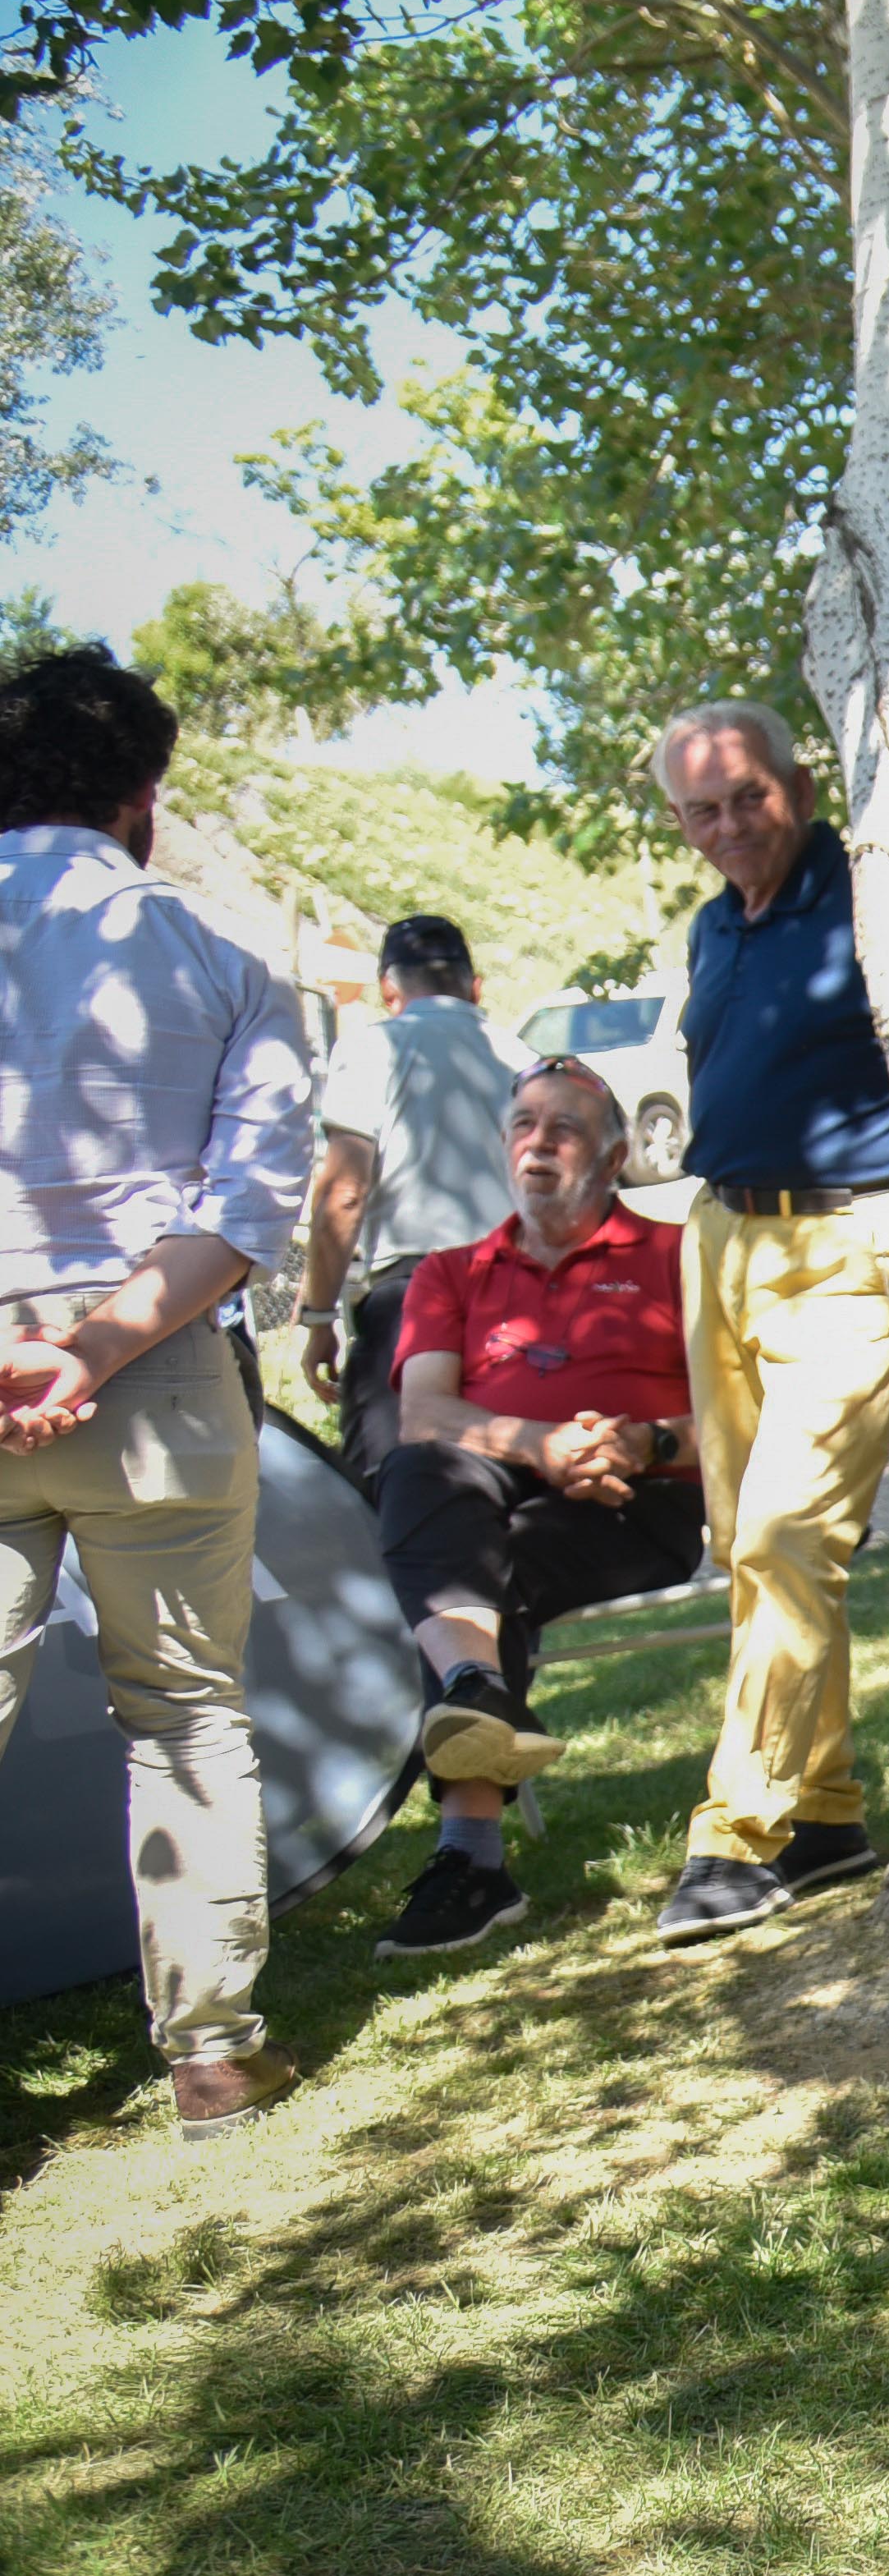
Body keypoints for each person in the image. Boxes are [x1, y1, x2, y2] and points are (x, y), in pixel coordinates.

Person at [0, 646, 315, 2137]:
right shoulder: (224, 954)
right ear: (141, 797)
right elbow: (246, 1210)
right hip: (163, 1369)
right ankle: (212, 2054)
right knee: (184, 1716)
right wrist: (98, 1349)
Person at [656, 698, 889, 1940]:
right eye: (700, 810)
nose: (727, 828)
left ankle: (739, 1834)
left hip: (853, 1238)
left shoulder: (874, 889)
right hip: (719, 1239)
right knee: (744, 1550)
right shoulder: (715, 927)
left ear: (797, 787)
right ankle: (825, 1813)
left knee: (784, 1538)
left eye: (746, 799)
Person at [365, 1058, 707, 1961]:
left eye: (564, 1126)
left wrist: (647, 1441)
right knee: (425, 1475)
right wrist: (541, 1445)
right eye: (523, 1122)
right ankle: (479, 1697)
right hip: (497, 1492)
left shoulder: (682, 1258)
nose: (538, 1141)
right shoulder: (450, 1271)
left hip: (638, 1503)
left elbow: (741, 1414)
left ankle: (471, 1852)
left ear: (616, 1153)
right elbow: (427, 1412)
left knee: (461, 1580)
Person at [294, 915, 523, 1483]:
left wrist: (319, 1315)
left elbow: (345, 1192)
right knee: (514, 1472)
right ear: (476, 986)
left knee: (395, 1481)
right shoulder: (523, 1058)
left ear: (388, 989)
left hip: (414, 1294)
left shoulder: (374, 1049)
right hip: (520, 1291)